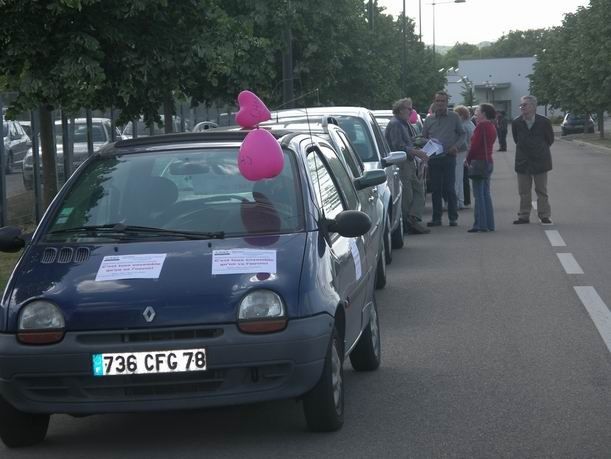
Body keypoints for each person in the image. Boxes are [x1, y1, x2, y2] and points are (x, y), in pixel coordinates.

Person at [384, 98, 430, 234]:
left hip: (408, 161)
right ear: (400, 110)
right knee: (407, 194)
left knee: (418, 190)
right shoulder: (396, 124)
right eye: (409, 109)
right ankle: (408, 222)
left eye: (411, 108)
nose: (411, 111)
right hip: (401, 162)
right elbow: (398, 145)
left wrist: (423, 143)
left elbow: (410, 141)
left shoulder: (404, 123)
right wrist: (416, 152)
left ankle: (413, 218)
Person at [422, 91, 465, 227]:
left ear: (447, 103)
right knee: (435, 189)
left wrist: (455, 146)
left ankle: (453, 217)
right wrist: (428, 143)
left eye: (442, 101)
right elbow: (423, 137)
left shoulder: (454, 117)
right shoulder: (429, 119)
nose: (440, 103)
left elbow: (462, 134)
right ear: (434, 102)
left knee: (449, 188)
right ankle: (437, 218)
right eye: (438, 101)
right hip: (434, 158)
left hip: (448, 157)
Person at [512, 95, 554, 225]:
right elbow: (516, 139)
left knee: (541, 190)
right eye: (521, 105)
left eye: (525, 105)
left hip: (540, 160)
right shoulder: (517, 122)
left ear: (533, 106)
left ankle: (544, 215)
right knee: (524, 191)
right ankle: (524, 216)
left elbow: (549, 139)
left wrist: (539, 149)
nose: (522, 107)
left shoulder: (544, 122)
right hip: (523, 161)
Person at [466, 104, 497, 232]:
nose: (475, 114)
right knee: (486, 194)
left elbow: (474, 146)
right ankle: (490, 224)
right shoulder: (491, 126)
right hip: (488, 161)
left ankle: (480, 224)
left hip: (478, 162)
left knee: (478, 195)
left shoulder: (481, 126)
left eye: (477, 111)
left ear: (484, 113)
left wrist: (467, 159)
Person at [453, 105, 475, 209]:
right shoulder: (470, 124)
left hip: (463, 153)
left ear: (460, 115)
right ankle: (462, 201)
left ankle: (458, 201)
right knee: (462, 179)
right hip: (468, 153)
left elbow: (465, 142)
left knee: (458, 179)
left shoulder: (463, 126)